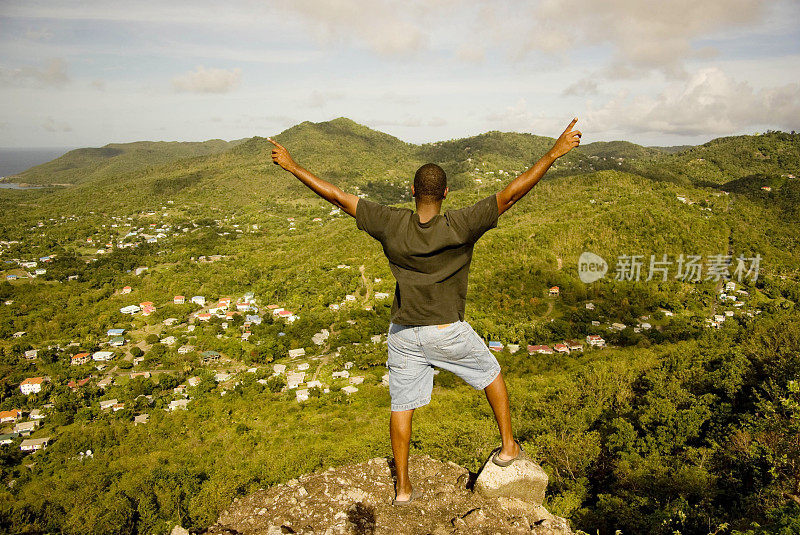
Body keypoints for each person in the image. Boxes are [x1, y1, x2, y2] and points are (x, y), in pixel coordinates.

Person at [268, 117, 581, 505]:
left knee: (402, 406)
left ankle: (402, 488)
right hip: (446, 330)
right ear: (446, 192)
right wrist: (554, 152)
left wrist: (292, 165)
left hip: (403, 333)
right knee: (491, 374)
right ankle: (508, 447)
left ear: (412, 191)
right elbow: (512, 194)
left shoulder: (391, 223)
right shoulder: (461, 225)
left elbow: (335, 196)